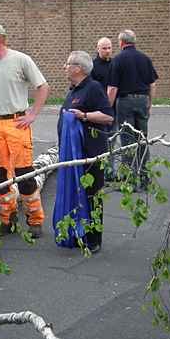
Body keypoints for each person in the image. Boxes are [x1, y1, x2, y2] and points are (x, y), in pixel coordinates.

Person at [0, 21, 49, 238]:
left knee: (24, 173)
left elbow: (43, 87)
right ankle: (7, 219)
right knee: (0, 175)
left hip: (17, 123)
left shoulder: (21, 60)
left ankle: (34, 220)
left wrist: (32, 114)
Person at [54, 51, 113, 253]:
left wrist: (85, 116)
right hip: (74, 155)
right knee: (77, 194)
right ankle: (78, 232)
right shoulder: (74, 90)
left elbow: (107, 116)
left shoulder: (93, 88)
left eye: (67, 64)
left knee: (92, 195)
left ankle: (94, 238)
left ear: (78, 68)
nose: (64, 67)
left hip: (92, 152)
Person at [107, 30, 159, 190]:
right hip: (143, 100)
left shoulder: (118, 60)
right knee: (142, 139)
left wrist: (108, 107)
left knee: (127, 141)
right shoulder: (145, 59)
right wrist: (149, 103)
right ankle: (145, 178)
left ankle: (129, 181)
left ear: (121, 42)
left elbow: (113, 88)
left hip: (125, 102)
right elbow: (152, 84)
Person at [91, 37, 116, 179]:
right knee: (100, 142)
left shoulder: (115, 64)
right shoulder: (93, 66)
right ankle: (99, 171)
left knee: (112, 140)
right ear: (98, 49)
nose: (107, 51)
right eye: (104, 48)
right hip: (98, 110)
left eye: (109, 48)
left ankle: (110, 172)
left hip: (113, 110)